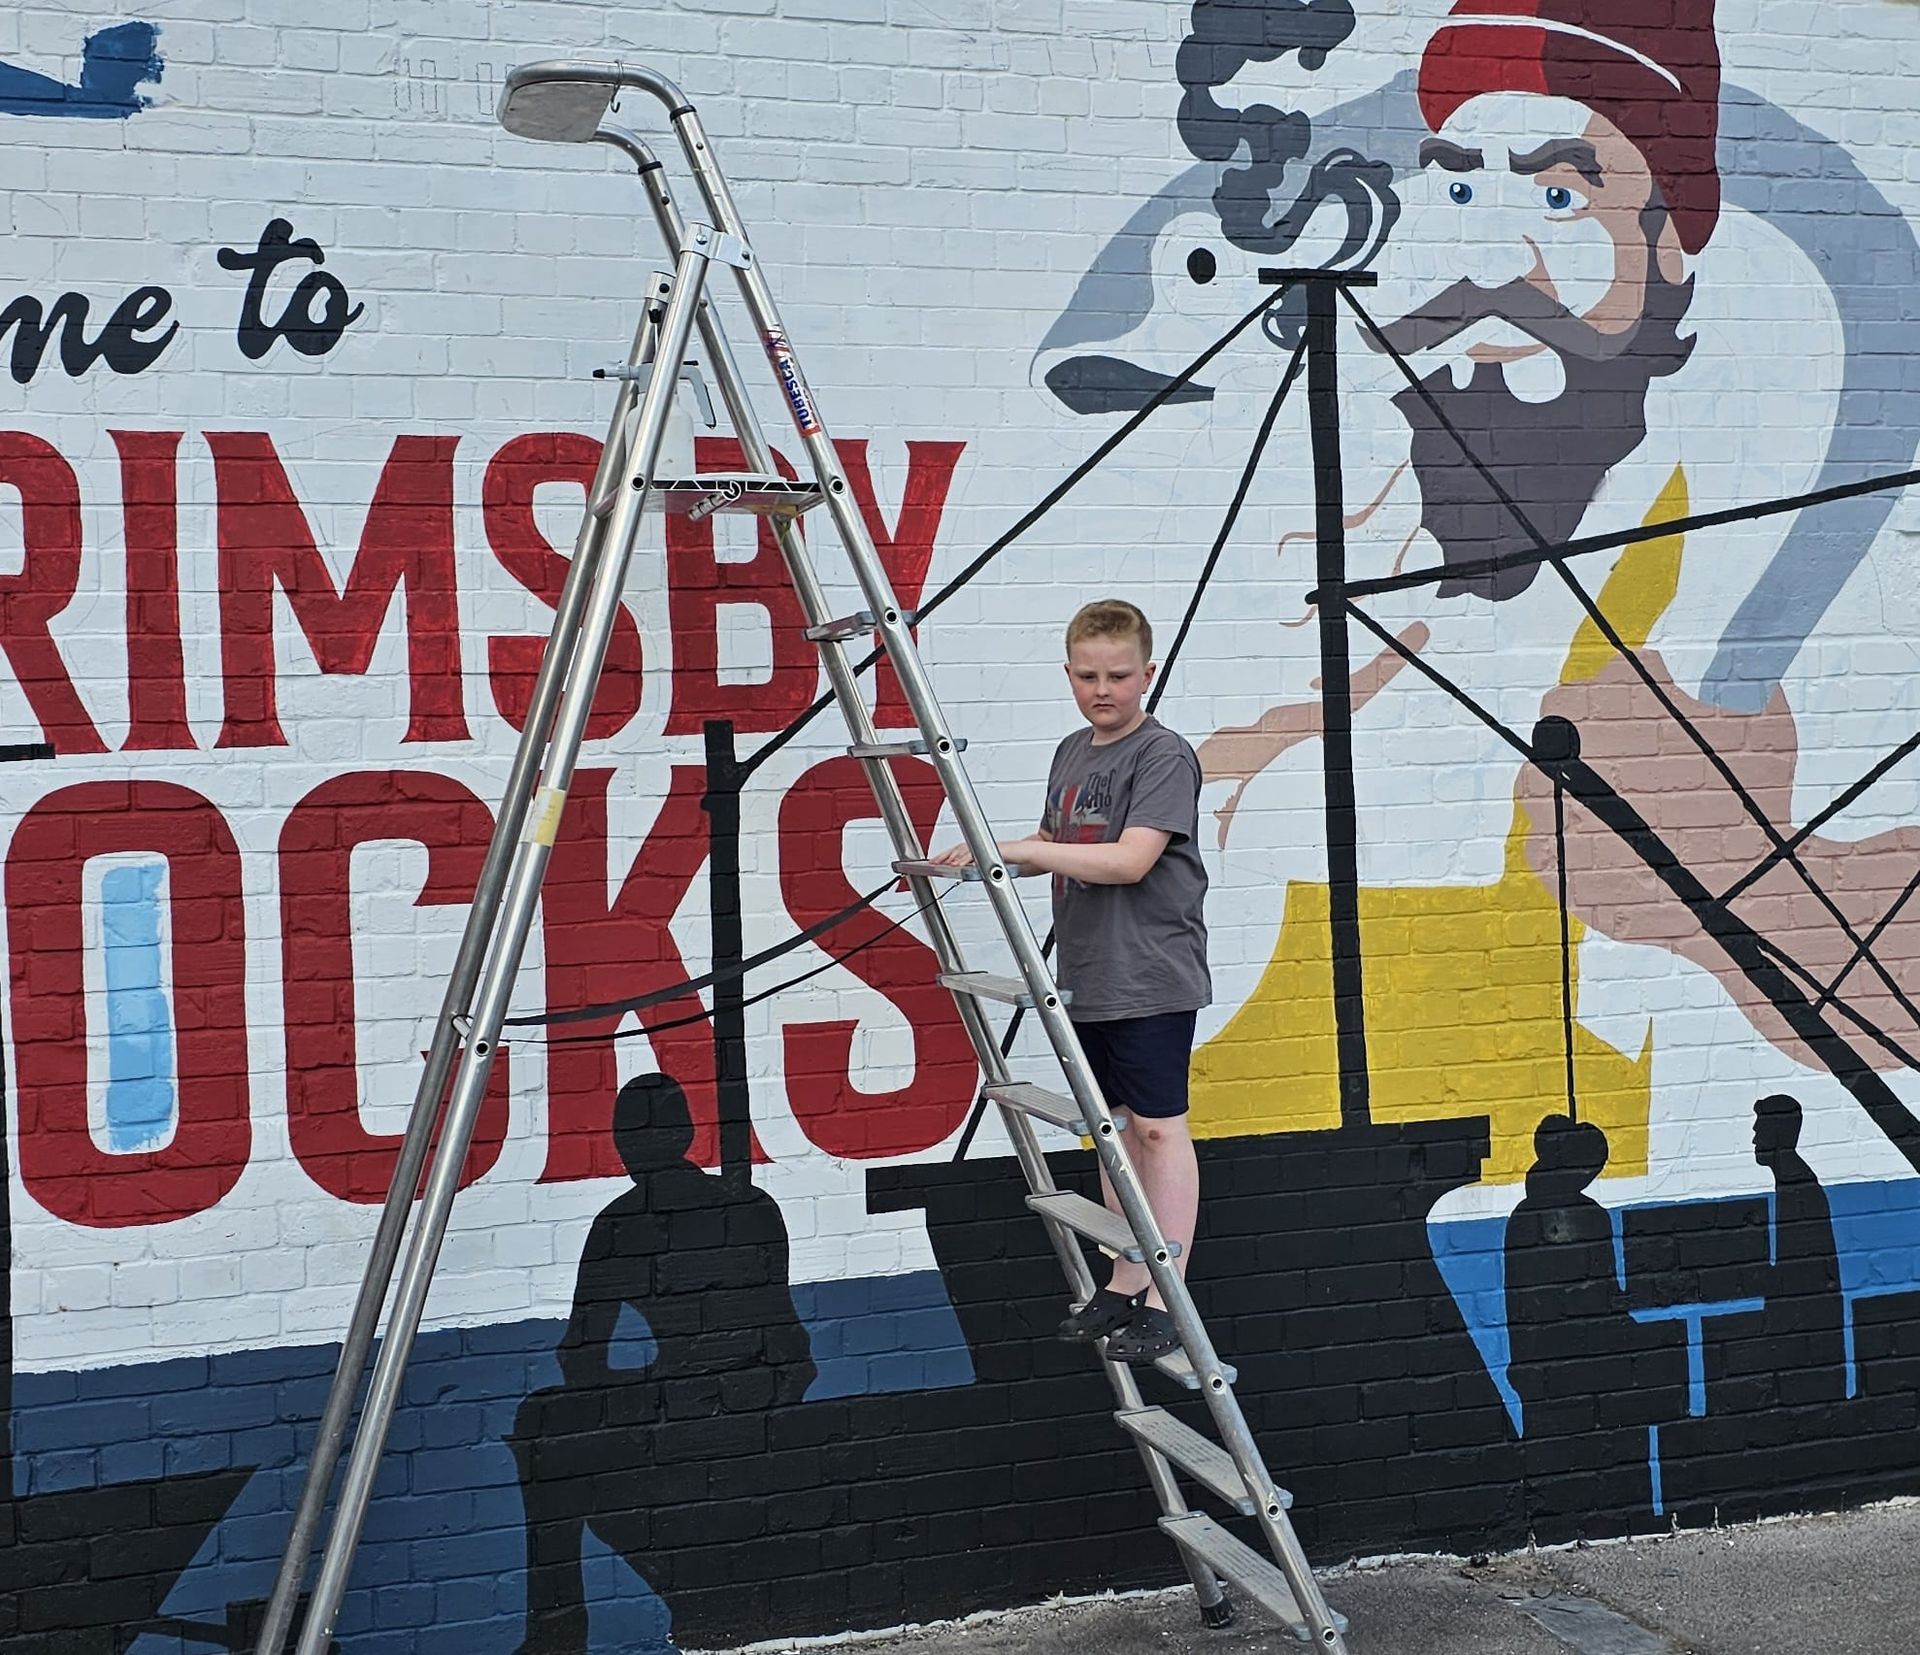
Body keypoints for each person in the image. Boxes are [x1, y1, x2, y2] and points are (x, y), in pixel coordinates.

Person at [933, 598, 1210, 1363]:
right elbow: (1058, 843)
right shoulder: (1070, 751)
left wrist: (1031, 851)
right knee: (1114, 1132)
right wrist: (988, 852)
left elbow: (1128, 860)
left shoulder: (1163, 755)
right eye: (1087, 675)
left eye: (1119, 675)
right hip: (1086, 973)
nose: (1103, 689)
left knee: (1158, 1129)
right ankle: (1125, 1280)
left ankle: (1168, 1291)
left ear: (1147, 673)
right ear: (1068, 673)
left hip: (1152, 974)